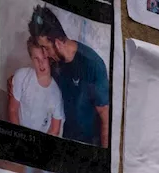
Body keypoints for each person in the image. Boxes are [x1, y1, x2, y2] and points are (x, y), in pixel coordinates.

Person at [28, 6, 110, 148]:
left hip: (90, 144)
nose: (45, 54)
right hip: (67, 138)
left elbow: (105, 117)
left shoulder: (93, 65)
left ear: (58, 43)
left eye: (46, 48)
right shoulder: (54, 63)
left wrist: (102, 158)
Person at [7, 38, 64, 136]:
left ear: (49, 59)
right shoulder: (21, 76)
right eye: (36, 59)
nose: (41, 63)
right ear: (31, 59)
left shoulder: (56, 93)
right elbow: (13, 110)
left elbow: (55, 130)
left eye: (44, 58)